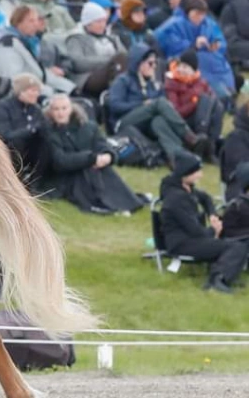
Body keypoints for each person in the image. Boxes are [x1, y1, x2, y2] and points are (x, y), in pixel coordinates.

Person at [106, 43, 209, 162]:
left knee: (158, 121)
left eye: (155, 63)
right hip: (123, 123)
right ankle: (188, 136)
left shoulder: (153, 84)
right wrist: (141, 104)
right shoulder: (123, 80)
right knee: (159, 103)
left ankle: (177, 156)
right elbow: (114, 106)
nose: (154, 66)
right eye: (150, 63)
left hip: (145, 123)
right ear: (138, 63)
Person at [159, 153, 246, 293]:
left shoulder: (187, 188)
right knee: (235, 247)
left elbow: (206, 198)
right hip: (182, 243)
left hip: (192, 238)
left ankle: (227, 276)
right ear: (185, 173)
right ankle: (217, 281)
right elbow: (194, 230)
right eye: (197, 172)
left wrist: (212, 214)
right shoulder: (175, 198)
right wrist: (214, 229)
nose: (200, 175)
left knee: (237, 244)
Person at [44, 94, 145, 214]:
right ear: (50, 111)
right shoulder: (47, 132)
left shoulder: (88, 126)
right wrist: (91, 158)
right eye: (56, 109)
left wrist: (108, 156)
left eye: (64, 108)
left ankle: (126, 203)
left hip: (92, 166)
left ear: (71, 109)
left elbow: (102, 145)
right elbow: (60, 161)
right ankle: (108, 205)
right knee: (87, 173)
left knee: (104, 171)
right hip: (66, 176)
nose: (60, 113)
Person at [154, 0, 234, 102]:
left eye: (202, 14)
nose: (199, 17)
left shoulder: (208, 24)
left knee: (219, 62)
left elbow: (220, 39)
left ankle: (227, 90)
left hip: (212, 58)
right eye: (196, 13)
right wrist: (193, 45)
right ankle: (219, 94)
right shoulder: (173, 25)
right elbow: (170, 45)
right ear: (188, 12)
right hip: (190, 60)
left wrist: (217, 45)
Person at [0, 5, 76, 97]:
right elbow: (15, 80)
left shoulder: (29, 42)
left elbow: (40, 73)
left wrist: (70, 88)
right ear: (18, 23)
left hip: (37, 90)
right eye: (31, 21)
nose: (36, 24)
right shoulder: (7, 45)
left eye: (36, 20)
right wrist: (50, 92)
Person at [0, 73, 51, 189]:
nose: (36, 94)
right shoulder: (3, 106)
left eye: (37, 91)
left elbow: (43, 129)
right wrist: (31, 130)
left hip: (30, 150)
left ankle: (34, 182)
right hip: (7, 149)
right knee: (17, 141)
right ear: (20, 91)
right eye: (32, 90)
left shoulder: (36, 109)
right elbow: (5, 134)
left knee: (45, 144)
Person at [164, 49, 223, 157]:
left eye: (186, 67)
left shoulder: (201, 82)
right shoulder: (172, 83)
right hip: (184, 122)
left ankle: (212, 143)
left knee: (218, 105)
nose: (181, 70)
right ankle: (201, 139)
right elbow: (176, 112)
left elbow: (212, 99)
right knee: (203, 99)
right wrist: (194, 102)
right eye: (180, 66)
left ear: (193, 70)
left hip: (202, 119)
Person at [64, 2, 128, 97]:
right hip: (87, 77)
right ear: (88, 23)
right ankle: (118, 95)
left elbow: (125, 57)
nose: (103, 25)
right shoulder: (76, 39)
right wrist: (109, 62)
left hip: (113, 70)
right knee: (119, 59)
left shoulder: (112, 38)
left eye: (104, 21)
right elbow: (78, 63)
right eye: (98, 22)